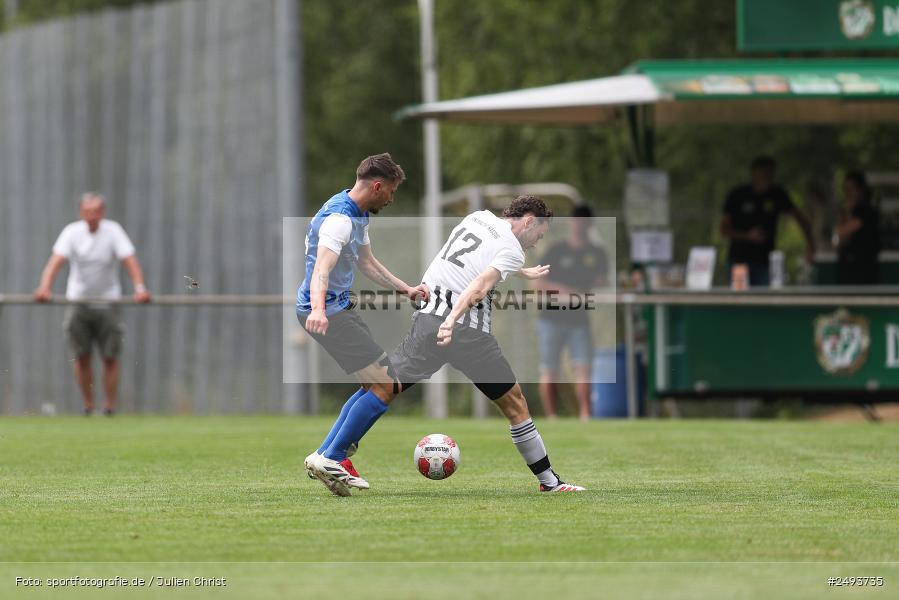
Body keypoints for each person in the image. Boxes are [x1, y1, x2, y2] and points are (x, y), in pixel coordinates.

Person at [305, 195, 586, 496]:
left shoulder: (477, 218)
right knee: (515, 404)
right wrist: (452, 319)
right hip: (467, 333)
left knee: (380, 387)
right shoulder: (512, 250)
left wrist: (521, 271)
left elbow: (472, 260)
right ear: (529, 221)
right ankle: (550, 482)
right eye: (538, 235)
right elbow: (478, 286)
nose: (534, 244)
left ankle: (326, 454)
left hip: (426, 321)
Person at [297, 153, 428, 494]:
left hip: (335, 308)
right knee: (386, 386)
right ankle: (334, 456)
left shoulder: (356, 215)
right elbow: (322, 268)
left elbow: (367, 263)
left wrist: (406, 289)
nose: (391, 198)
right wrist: (319, 309)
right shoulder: (340, 219)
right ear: (377, 185)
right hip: (329, 311)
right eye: (392, 191)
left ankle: (325, 456)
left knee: (372, 386)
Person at [33, 192, 151, 416]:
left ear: (102, 213)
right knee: (82, 356)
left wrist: (140, 289)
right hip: (78, 300)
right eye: (87, 212)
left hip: (108, 301)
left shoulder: (113, 231)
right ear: (81, 213)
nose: (92, 216)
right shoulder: (72, 232)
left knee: (110, 356)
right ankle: (88, 405)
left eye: (96, 212)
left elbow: (130, 261)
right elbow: (56, 262)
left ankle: (109, 407)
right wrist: (44, 287)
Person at [532, 204, 607, 421]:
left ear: (589, 224)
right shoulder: (556, 251)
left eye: (584, 220)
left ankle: (585, 415)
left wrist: (591, 287)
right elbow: (538, 283)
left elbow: (601, 281)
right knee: (549, 369)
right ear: (570, 223)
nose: (579, 224)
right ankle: (551, 416)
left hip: (579, 319)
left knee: (583, 368)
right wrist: (563, 290)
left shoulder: (596, 253)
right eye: (576, 219)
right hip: (550, 319)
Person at [720, 156, 816, 286]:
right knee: (740, 297)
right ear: (754, 173)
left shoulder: (777, 194)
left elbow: (801, 219)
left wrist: (811, 246)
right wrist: (747, 236)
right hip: (739, 261)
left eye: (770, 173)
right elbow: (724, 229)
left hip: (765, 262)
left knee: (765, 297)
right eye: (763, 173)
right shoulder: (738, 195)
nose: (767, 177)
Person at [835, 171, 880, 285]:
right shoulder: (851, 212)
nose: (848, 193)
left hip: (863, 270)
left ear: (861, 190)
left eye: (852, 189)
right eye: (846, 189)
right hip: (848, 270)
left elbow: (844, 230)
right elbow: (841, 238)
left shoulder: (865, 210)